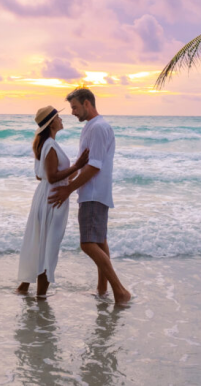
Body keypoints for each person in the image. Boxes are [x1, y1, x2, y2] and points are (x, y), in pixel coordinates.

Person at [49, 88, 131, 304]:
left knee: (87, 244)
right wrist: (66, 180)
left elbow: (94, 166)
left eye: (75, 107)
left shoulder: (97, 128)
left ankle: (120, 291)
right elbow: (85, 163)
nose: (73, 112)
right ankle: (103, 290)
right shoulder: (92, 127)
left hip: (93, 193)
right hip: (94, 192)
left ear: (87, 104)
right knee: (100, 242)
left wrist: (68, 189)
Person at [17, 105, 88, 297]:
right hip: (51, 200)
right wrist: (77, 166)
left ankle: (24, 289)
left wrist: (75, 177)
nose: (61, 119)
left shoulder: (47, 144)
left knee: (41, 244)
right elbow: (52, 176)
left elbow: (44, 177)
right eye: (58, 117)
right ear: (51, 124)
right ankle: (40, 299)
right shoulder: (49, 145)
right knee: (49, 247)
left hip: (47, 196)